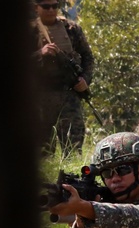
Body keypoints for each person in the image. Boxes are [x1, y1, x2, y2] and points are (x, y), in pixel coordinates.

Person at [32, 0, 93, 153]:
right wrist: (40, 54)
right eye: (46, 6)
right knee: (42, 151)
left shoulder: (71, 29)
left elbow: (87, 57)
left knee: (74, 147)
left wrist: (85, 79)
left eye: (55, 6)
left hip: (68, 94)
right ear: (36, 8)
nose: (51, 10)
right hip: (39, 97)